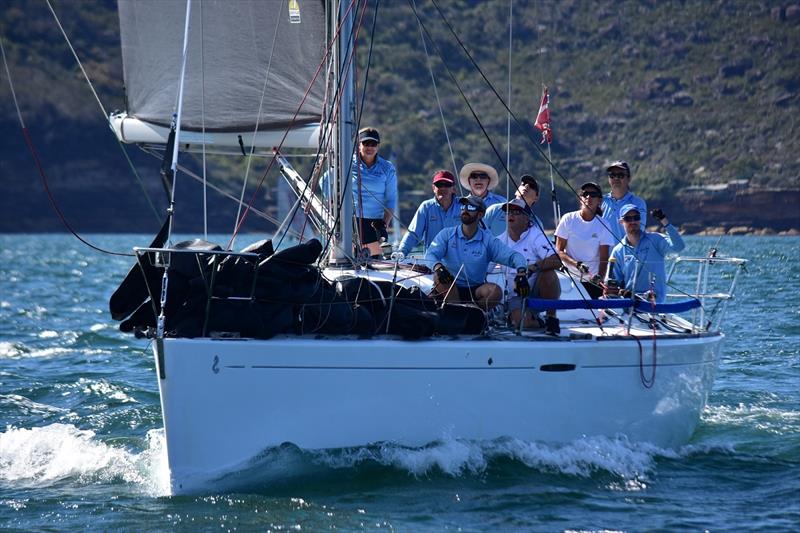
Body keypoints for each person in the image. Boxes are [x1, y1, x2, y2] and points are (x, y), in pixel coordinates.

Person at [425, 195, 528, 311]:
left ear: (481, 214)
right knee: (438, 275)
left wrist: (521, 272)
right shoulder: (446, 234)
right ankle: (459, 312)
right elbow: (430, 255)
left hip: (476, 289)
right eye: (463, 206)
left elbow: (514, 256)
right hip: (449, 285)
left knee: (496, 292)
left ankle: (475, 314)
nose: (465, 210)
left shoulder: (488, 241)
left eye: (471, 207)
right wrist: (438, 267)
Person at [495, 198, 562, 333]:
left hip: (538, 293)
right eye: (508, 212)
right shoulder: (498, 242)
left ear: (527, 218)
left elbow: (557, 261)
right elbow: (485, 269)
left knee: (548, 273)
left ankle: (550, 318)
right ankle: (530, 319)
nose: (511, 215)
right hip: (515, 297)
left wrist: (534, 267)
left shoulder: (536, 235)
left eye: (516, 212)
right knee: (522, 323)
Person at [606, 205, 685, 303]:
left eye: (636, 217)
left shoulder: (656, 240)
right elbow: (613, 283)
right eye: (628, 219)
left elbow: (679, 246)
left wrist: (664, 220)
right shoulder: (618, 251)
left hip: (655, 305)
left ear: (640, 220)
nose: (633, 221)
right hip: (629, 306)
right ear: (621, 222)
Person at [554, 182, 616, 298]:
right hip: (568, 279)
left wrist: (600, 278)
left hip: (593, 282)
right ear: (580, 198)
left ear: (599, 201)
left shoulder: (604, 224)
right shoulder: (568, 219)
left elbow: (604, 259)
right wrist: (577, 264)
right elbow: (559, 251)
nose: (588, 197)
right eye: (585, 194)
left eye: (593, 194)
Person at [351, 127, 398, 257]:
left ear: (378, 146)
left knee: (376, 265)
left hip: (375, 223)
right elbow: (325, 181)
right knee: (346, 264)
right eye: (366, 143)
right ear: (359, 145)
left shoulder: (387, 168)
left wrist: (384, 224)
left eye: (373, 144)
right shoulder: (347, 164)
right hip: (351, 221)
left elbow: (391, 199)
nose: (369, 147)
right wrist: (332, 202)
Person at [397, 170, 461, 257]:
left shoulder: (464, 206)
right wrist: (401, 252)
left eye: (447, 185)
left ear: (453, 189)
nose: (443, 188)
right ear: (433, 188)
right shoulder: (426, 207)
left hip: (459, 262)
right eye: (439, 185)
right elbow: (413, 233)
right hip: (433, 262)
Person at [601, 160, 647, 242]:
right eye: (612, 175)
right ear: (608, 179)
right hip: (604, 255)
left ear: (629, 179)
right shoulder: (600, 201)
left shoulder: (638, 203)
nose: (616, 178)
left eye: (620, 175)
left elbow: (637, 233)